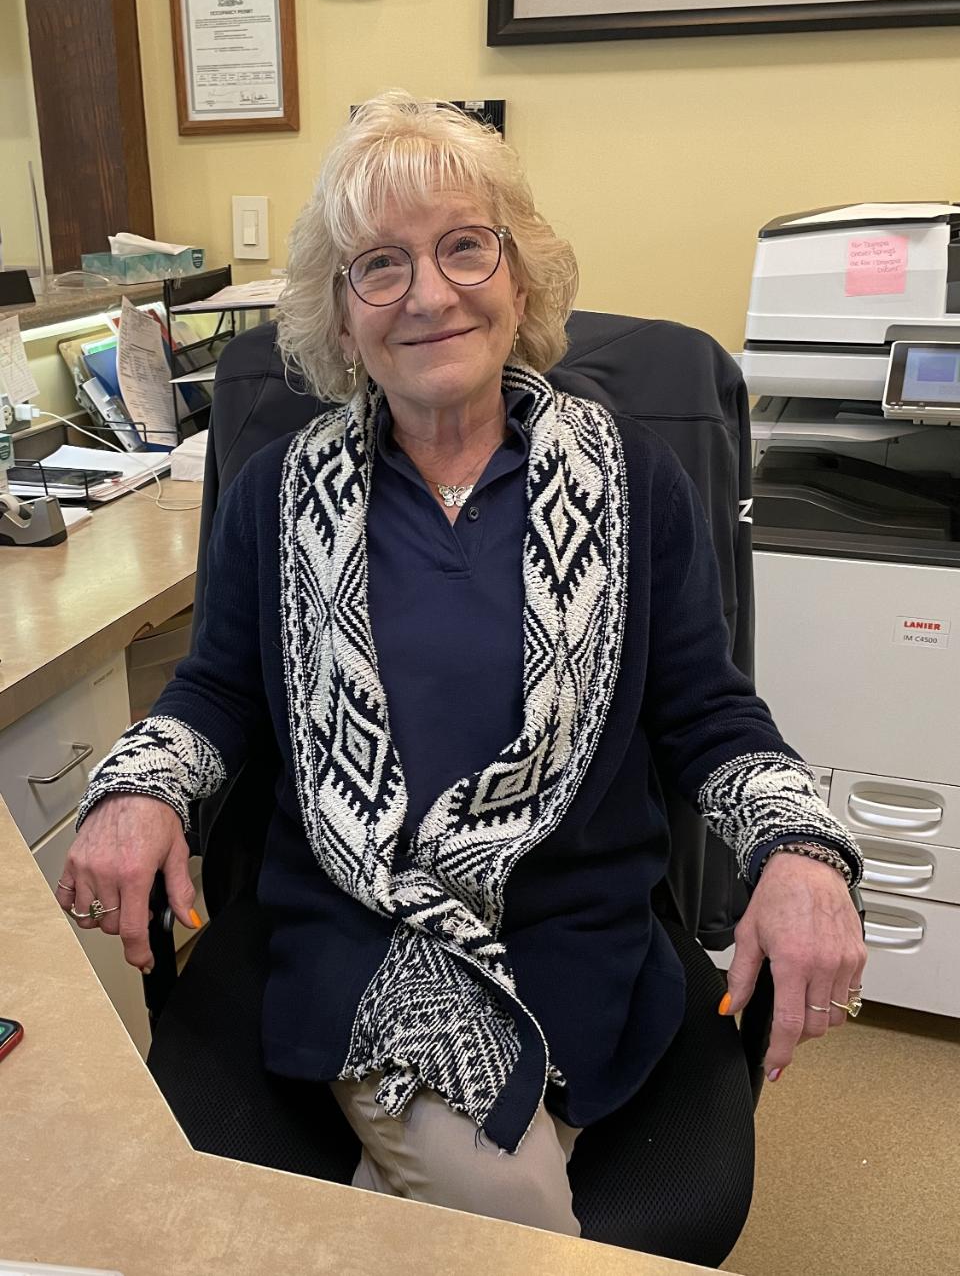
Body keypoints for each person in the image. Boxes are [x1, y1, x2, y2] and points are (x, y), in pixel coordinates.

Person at [58, 91, 866, 1238]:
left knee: (398, 1218)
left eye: (463, 248)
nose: (429, 293)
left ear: (519, 277)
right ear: (342, 321)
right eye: (378, 266)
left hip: (570, 923)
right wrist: (141, 782)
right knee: (511, 1206)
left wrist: (797, 847)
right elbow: (217, 694)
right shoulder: (285, 492)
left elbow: (711, 715)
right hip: (356, 920)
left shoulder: (635, 482)